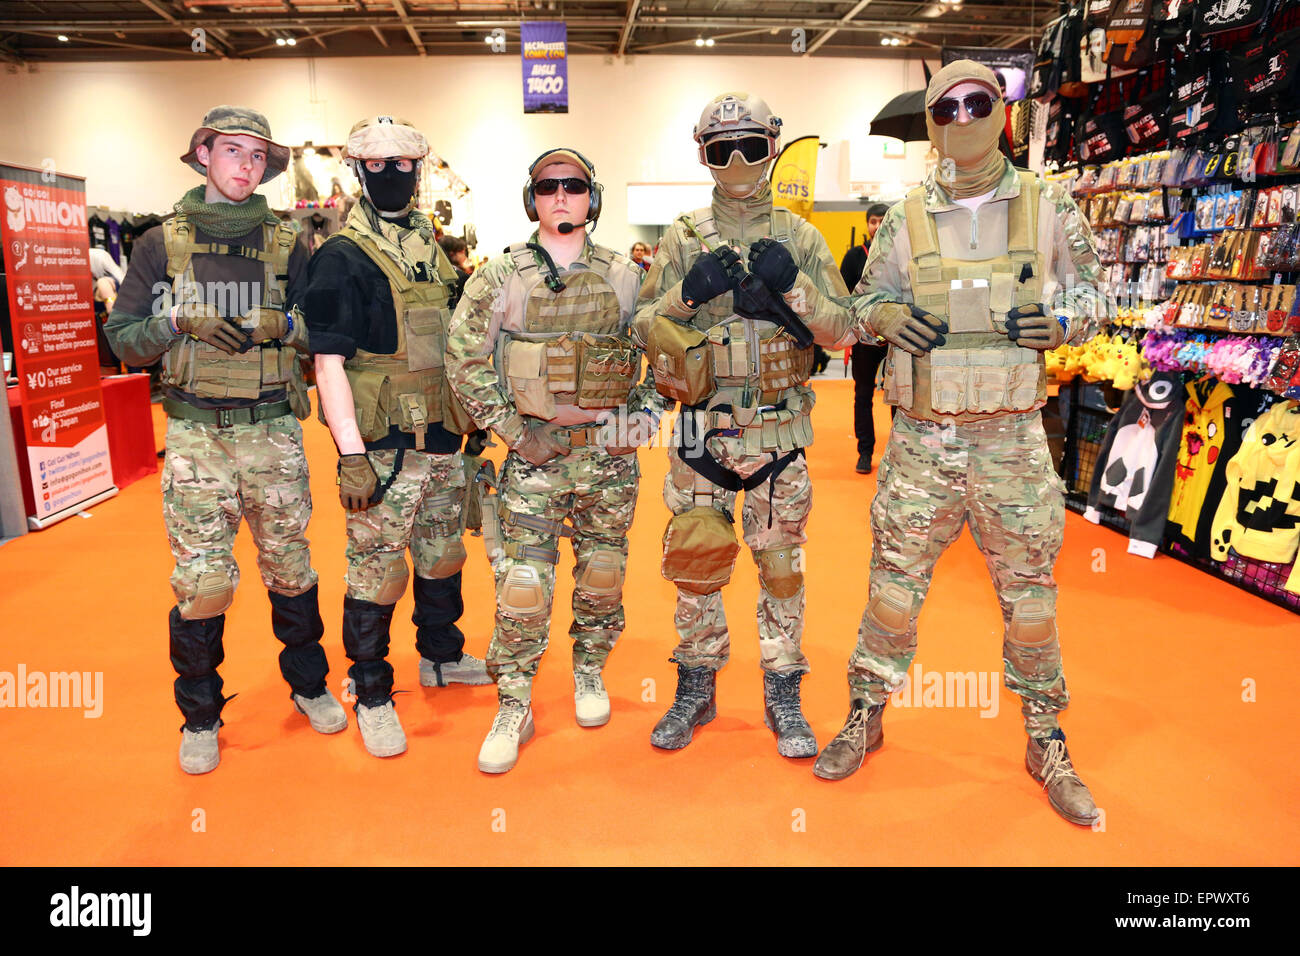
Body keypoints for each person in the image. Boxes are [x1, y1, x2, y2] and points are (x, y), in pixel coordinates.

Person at [814, 61, 1106, 827]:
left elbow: (1093, 290)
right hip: (922, 443)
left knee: (1031, 603)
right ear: (935, 119)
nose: (964, 114)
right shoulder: (905, 214)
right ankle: (865, 714)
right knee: (891, 593)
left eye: (981, 101)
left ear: (1003, 112)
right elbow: (866, 298)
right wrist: (882, 320)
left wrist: (1066, 321)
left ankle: (1045, 741)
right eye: (949, 105)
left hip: (1011, 440)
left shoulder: (1049, 207)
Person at [105, 106, 345, 775]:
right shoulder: (161, 243)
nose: (244, 165)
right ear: (203, 154)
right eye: (231, 151)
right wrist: (175, 321)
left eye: (255, 156)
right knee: (203, 584)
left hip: (271, 430)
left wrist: (283, 325)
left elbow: (322, 326)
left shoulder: (287, 241)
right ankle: (201, 715)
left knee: (291, 569)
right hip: (194, 437)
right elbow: (121, 339)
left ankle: (309, 685)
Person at [636, 92, 856, 759]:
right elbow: (645, 328)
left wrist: (795, 288)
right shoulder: (681, 235)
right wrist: (688, 293)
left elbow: (844, 332)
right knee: (696, 562)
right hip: (703, 430)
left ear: (771, 148)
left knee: (782, 567)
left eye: (750, 146)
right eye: (719, 148)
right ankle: (696, 684)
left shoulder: (803, 236)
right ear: (702, 155)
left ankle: (782, 687)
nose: (735, 161)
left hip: (779, 432)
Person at [446, 147, 664, 774]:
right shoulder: (500, 277)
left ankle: (589, 672)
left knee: (601, 575)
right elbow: (464, 361)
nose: (560, 196)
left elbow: (666, 356)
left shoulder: (627, 276)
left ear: (591, 198)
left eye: (573, 186)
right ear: (532, 199)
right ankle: (514, 701)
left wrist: (639, 420)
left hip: (606, 458)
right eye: (548, 187)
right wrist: (515, 430)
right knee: (522, 588)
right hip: (535, 456)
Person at [302, 115, 490, 760]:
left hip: (441, 435)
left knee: (442, 556)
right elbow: (327, 363)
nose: (391, 175)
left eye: (403, 165)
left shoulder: (429, 245)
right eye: (376, 165)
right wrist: (350, 455)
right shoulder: (338, 257)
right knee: (377, 572)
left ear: (420, 169)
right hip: (382, 448)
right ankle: (372, 690)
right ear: (357, 170)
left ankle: (441, 655)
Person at [840, 202, 890, 474]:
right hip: (864, 336)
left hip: (896, 336)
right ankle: (865, 451)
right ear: (867, 224)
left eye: (883, 220)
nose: (878, 226)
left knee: (900, 395)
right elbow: (842, 293)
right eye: (873, 221)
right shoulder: (854, 257)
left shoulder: (900, 254)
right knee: (863, 395)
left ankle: (900, 449)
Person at [438, 234, 471, 300]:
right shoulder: (461, 277)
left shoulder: (432, 272)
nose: (465, 256)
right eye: (462, 252)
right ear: (452, 253)